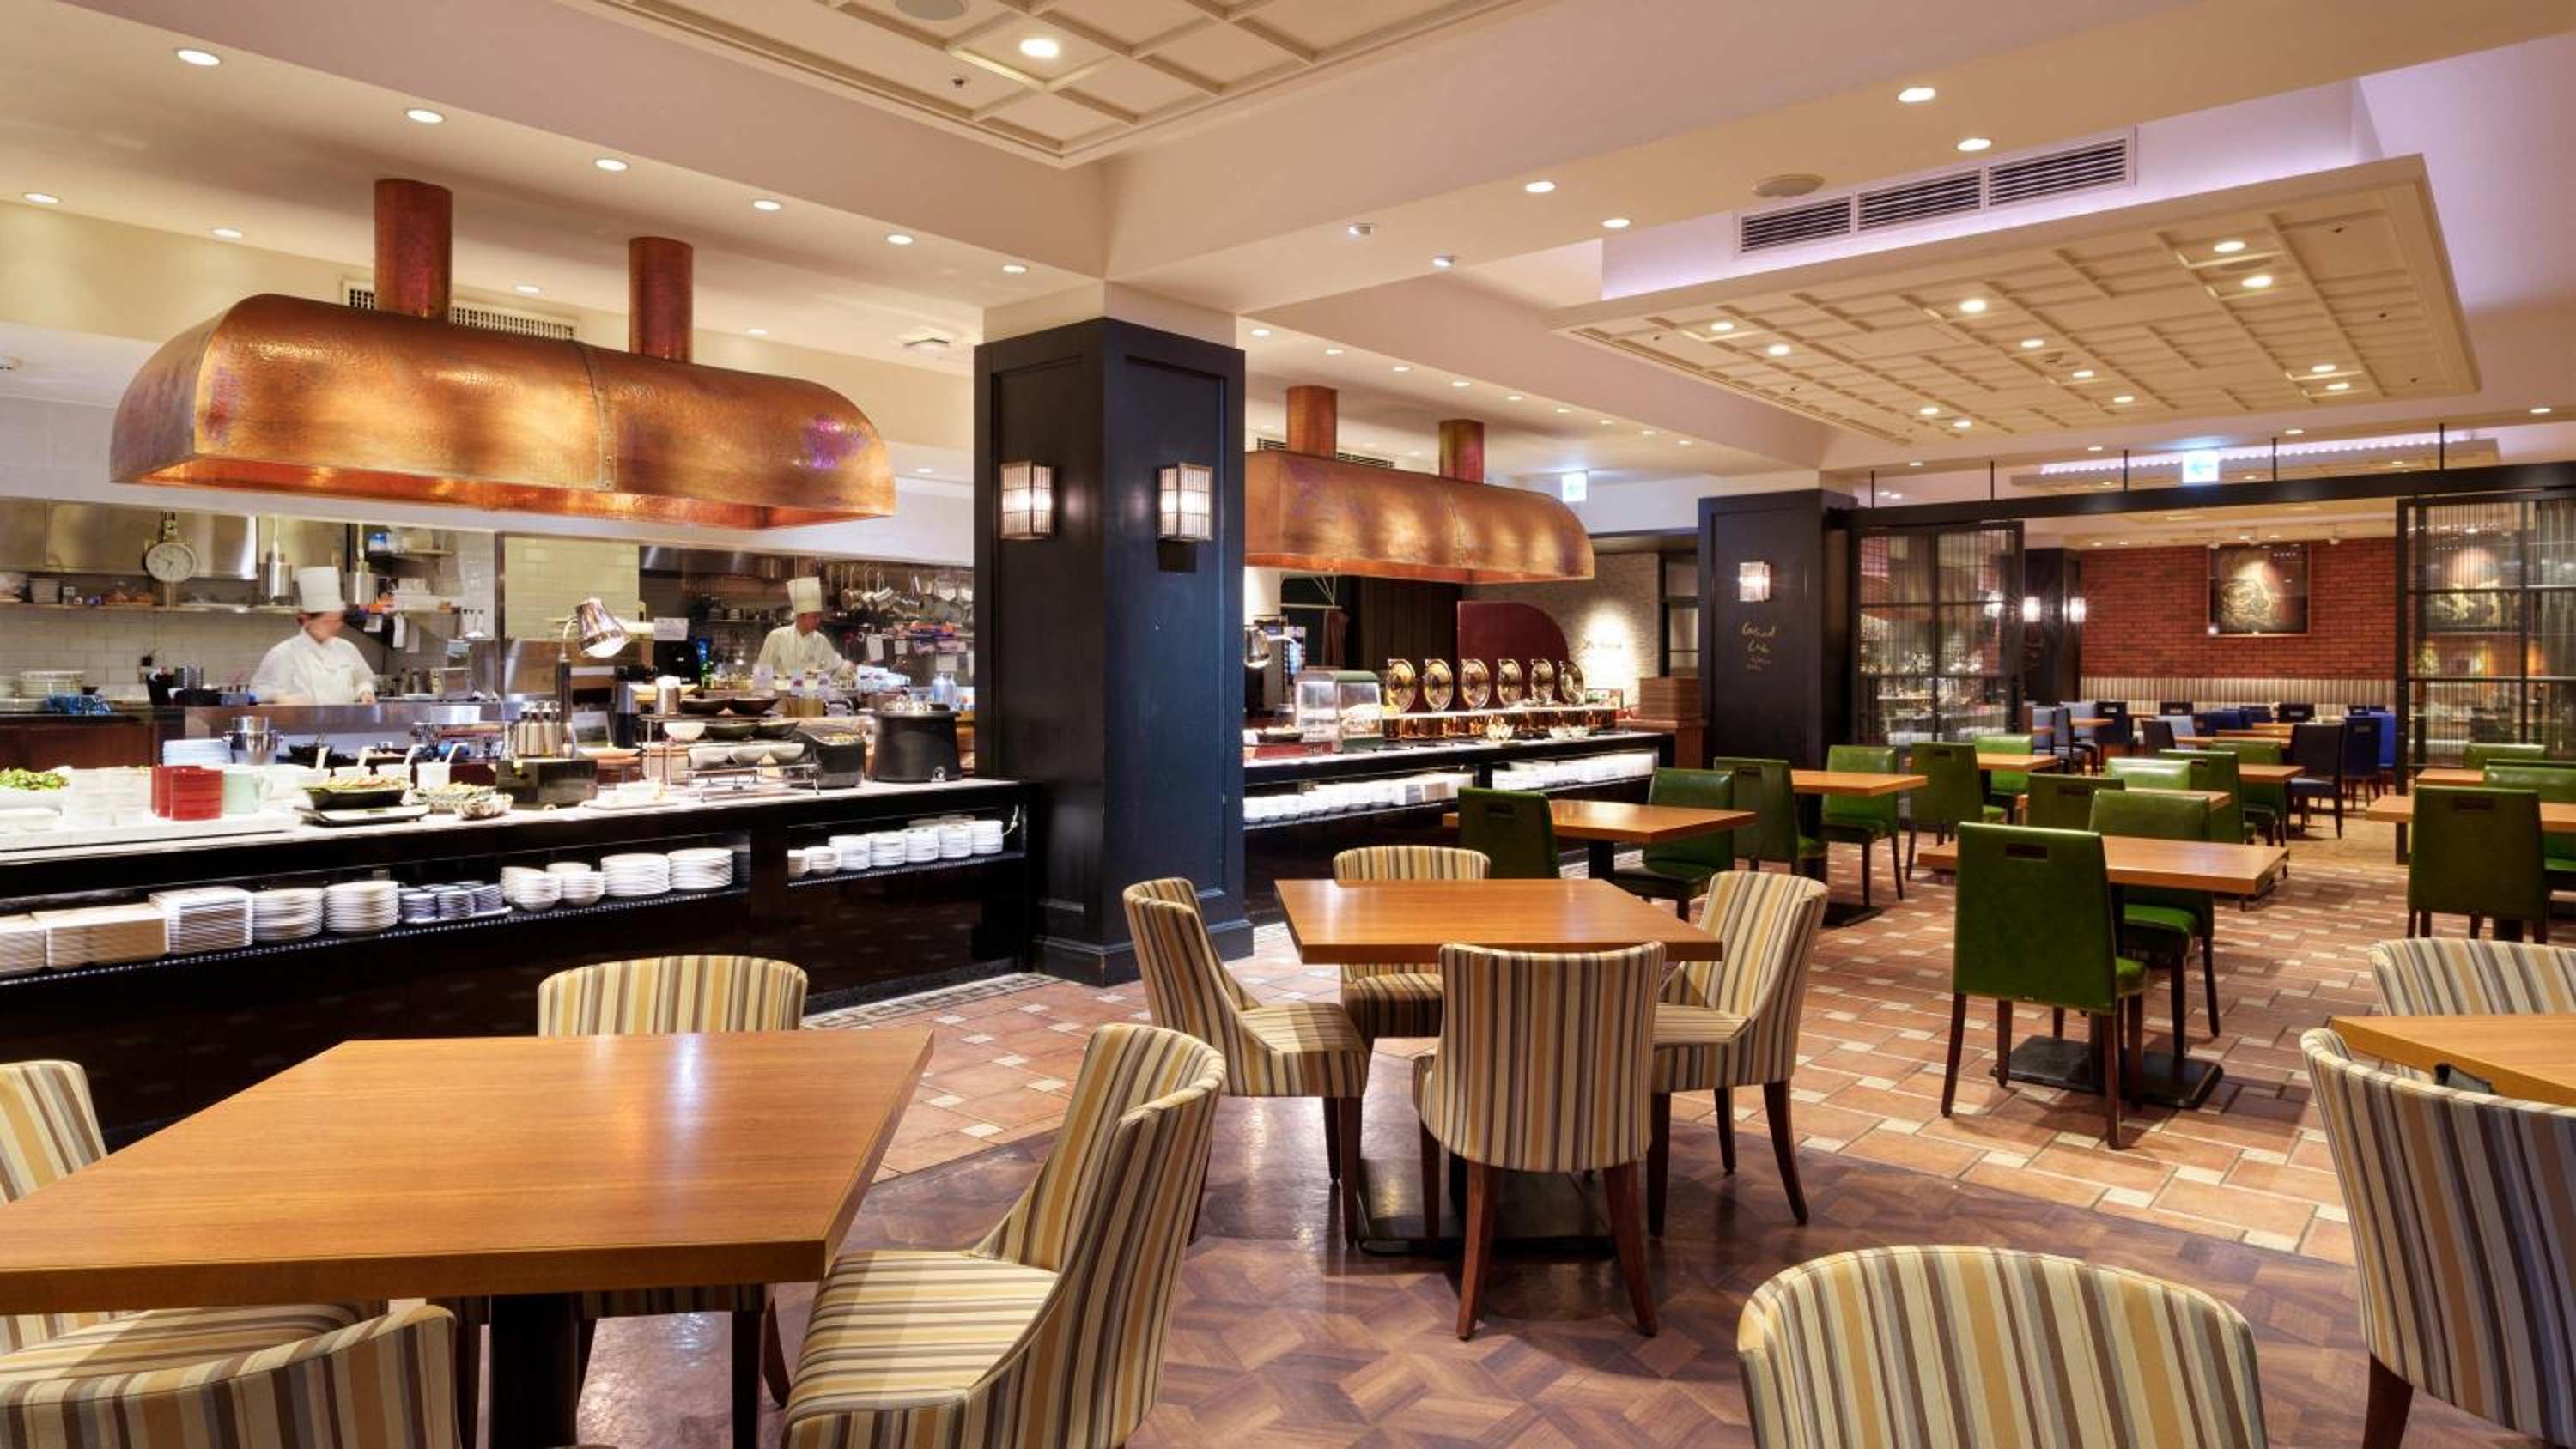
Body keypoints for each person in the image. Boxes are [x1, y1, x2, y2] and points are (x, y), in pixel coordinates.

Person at [250, 567, 377, 704]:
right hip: (301, 718)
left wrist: (365, 692)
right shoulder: (283, 653)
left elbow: (363, 679)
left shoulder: (347, 648)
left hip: (344, 718)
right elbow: (258, 692)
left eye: (338, 621)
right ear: (306, 620)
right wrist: (279, 698)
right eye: (328, 621)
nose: (336, 626)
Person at [756, 576, 843, 676]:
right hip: (782, 687)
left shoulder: (821, 640)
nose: (818, 621)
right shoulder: (776, 636)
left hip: (811, 687)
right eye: (814, 617)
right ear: (800, 617)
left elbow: (836, 664)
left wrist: (847, 667)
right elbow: (762, 670)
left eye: (819, 616)